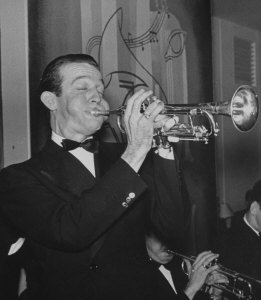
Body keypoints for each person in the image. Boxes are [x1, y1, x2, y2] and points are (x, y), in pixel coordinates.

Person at [0, 54, 184, 300]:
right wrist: (136, 150)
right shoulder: (17, 178)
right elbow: (71, 231)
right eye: (82, 87)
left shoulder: (127, 159)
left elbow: (171, 226)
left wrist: (163, 147)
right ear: (51, 100)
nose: (97, 95)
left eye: (100, 88)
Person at [138, 228, 228, 300]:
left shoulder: (183, 265)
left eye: (169, 236)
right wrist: (191, 288)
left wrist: (215, 296)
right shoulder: (133, 277)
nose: (166, 243)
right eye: (158, 237)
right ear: (144, 237)